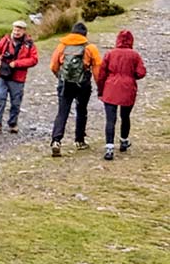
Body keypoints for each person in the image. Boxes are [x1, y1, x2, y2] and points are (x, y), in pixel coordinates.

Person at [49, 21, 102, 157]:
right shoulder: (90, 48)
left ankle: (56, 141)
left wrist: (60, 77)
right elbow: (97, 70)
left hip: (65, 83)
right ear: (85, 34)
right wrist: (100, 87)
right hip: (83, 84)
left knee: (63, 111)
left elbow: (53, 66)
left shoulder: (62, 46)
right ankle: (79, 140)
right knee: (81, 110)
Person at [97, 30, 147, 161]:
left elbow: (101, 74)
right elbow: (141, 72)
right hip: (128, 88)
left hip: (110, 88)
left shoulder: (110, 54)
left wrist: (101, 90)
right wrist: (131, 76)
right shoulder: (135, 55)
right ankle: (124, 141)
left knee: (110, 119)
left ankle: (109, 147)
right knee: (125, 116)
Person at [0, 20, 39, 133]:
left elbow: (34, 60)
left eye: (19, 30)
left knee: (15, 102)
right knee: (0, 98)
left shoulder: (29, 44)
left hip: (18, 78)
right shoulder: (6, 40)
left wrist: (17, 63)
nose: (16, 32)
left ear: (24, 31)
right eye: (15, 29)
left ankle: (13, 124)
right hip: (3, 75)